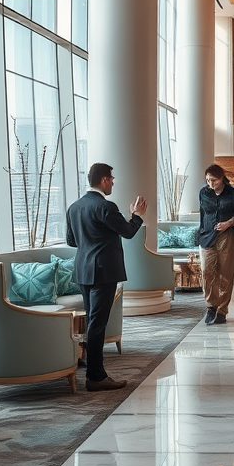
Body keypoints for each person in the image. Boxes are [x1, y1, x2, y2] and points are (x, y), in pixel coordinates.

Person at [65, 162, 146, 392]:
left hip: (83, 270)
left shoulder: (74, 207)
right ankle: (96, 377)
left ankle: (94, 372)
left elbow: (72, 241)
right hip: (103, 271)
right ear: (103, 180)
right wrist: (136, 215)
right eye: (111, 178)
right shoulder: (106, 207)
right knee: (98, 324)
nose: (112, 182)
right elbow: (129, 232)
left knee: (93, 322)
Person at [198, 163, 234, 326]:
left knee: (225, 274)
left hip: (227, 236)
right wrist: (200, 233)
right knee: (207, 272)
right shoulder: (203, 193)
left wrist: (230, 223)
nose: (210, 184)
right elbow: (202, 215)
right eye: (207, 180)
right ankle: (211, 306)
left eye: (214, 180)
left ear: (222, 179)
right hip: (207, 236)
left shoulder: (233, 193)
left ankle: (222, 310)